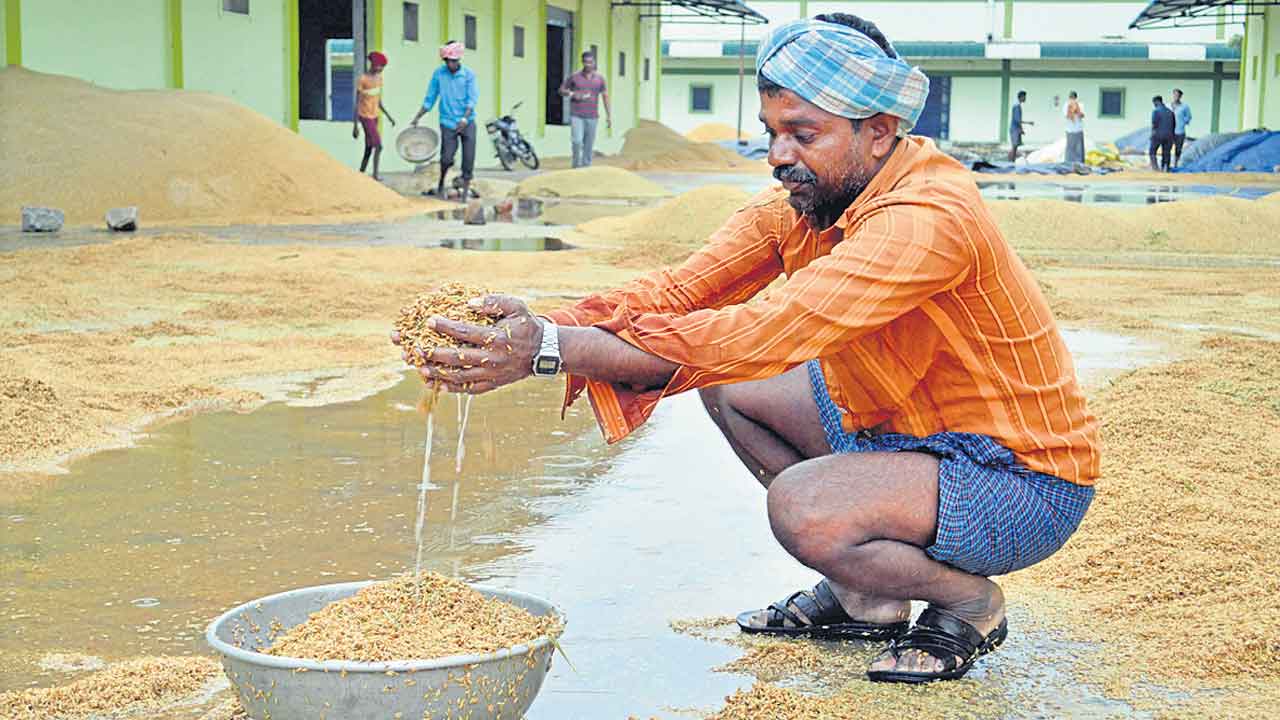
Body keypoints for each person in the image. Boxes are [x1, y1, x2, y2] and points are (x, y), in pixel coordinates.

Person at [397, 12, 1098, 685]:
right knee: (731, 388)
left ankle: (968, 603)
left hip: (1018, 479)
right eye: (771, 132)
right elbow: (678, 291)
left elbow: (765, 332)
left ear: (879, 132)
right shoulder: (809, 205)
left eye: (802, 133)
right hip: (900, 434)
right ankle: (868, 598)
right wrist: (543, 322)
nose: (777, 157)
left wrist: (551, 349)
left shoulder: (925, 219)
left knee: (803, 508)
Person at [411, 41, 479, 200]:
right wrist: (417, 117)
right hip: (448, 122)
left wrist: (464, 118)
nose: (451, 64)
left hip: (467, 122)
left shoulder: (469, 75)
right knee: (447, 157)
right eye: (448, 61)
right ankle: (441, 182)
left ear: (459, 59)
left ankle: (465, 191)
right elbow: (430, 98)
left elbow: (472, 99)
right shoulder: (439, 74)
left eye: (453, 61)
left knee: (468, 158)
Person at [559, 51, 612, 168]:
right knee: (577, 141)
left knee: (589, 145)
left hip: (592, 116)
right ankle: (576, 166)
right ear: (582, 62)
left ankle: (586, 167)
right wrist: (573, 94)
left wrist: (609, 116)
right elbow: (561, 90)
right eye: (586, 62)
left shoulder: (600, 79)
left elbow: (605, 96)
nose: (588, 65)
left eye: (590, 62)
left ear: (594, 63)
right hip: (576, 115)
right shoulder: (574, 77)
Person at [353, 51, 396, 181]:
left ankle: (360, 173)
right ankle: (375, 176)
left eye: (383, 67)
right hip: (365, 117)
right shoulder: (363, 79)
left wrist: (388, 116)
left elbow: (378, 100)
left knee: (369, 147)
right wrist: (355, 126)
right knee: (379, 145)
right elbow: (357, 102)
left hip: (375, 115)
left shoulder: (379, 79)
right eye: (380, 66)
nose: (381, 69)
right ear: (373, 64)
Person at [1150, 95, 1176, 172]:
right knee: (1167, 152)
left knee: (1152, 151)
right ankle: (1166, 168)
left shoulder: (1156, 111)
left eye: (1154, 103)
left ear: (1157, 102)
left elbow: (1154, 124)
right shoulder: (1170, 112)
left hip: (1158, 135)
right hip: (1169, 136)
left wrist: (1152, 135)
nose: (1154, 105)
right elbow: (1174, 125)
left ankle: (1155, 169)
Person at [1008, 90, 1033, 162]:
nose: (1025, 98)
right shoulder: (1017, 106)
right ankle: (1011, 162)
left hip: (1016, 129)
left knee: (1015, 147)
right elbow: (1017, 120)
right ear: (1021, 97)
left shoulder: (1017, 106)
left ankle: (1012, 161)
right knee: (1014, 146)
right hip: (1015, 129)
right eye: (1024, 97)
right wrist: (1027, 124)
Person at [1171, 88, 1192, 168]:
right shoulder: (1169, 105)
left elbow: (1189, 117)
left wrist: (1183, 122)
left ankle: (1176, 164)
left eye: (1178, 95)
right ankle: (1167, 163)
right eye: (1174, 95)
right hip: (1169, 130)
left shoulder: (1185, 107)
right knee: (1167, 147)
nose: (1176, 96)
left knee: (1178, 148)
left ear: (1180, 96)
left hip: (1180, 131)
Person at [1063, 91, 1085, 163]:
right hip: (1070, 130)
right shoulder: (1066, 105)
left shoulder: (1080, 105)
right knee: (1070, 148)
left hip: (1078, 129)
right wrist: (1071, 109)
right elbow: (1067, 116)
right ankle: (1069, 163)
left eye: (1073, 97)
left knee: (1079, 149)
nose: (1072, 99)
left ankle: (1079, 163)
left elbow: (1082, 115)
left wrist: (1077, 109)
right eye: (1071, 97)